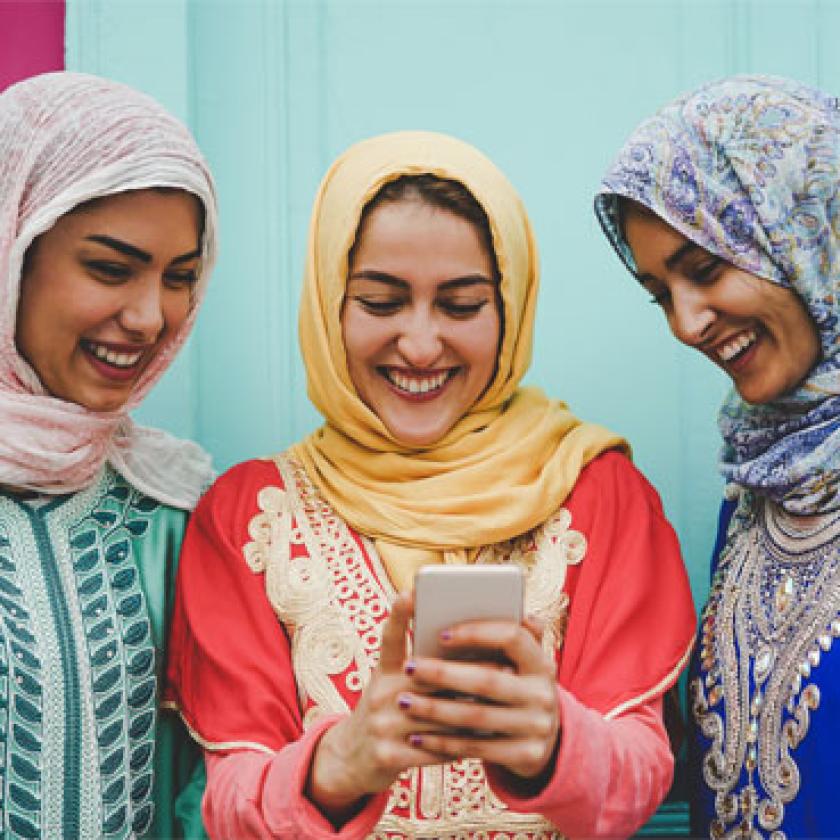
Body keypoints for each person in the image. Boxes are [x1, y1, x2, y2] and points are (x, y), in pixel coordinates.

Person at [166, 130, 695, 839]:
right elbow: (227, 802)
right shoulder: (248, 517)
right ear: (329, 306)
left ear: (509, 310)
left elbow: (639, 774)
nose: (420, 344)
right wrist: (340, 763)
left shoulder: (598, 490)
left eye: (461, 304)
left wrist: (554, 741)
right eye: (381, 302)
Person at [595, 74, 840, 839]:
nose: (686, 322)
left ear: (805, 231)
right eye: (659, 293)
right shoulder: (760, 481)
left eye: (703, 269)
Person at [0, 71, 217, 838]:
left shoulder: (177, 511)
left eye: (180, 278)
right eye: (111, 268)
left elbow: (209, 788)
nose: (149, 316)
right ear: (13, 250)